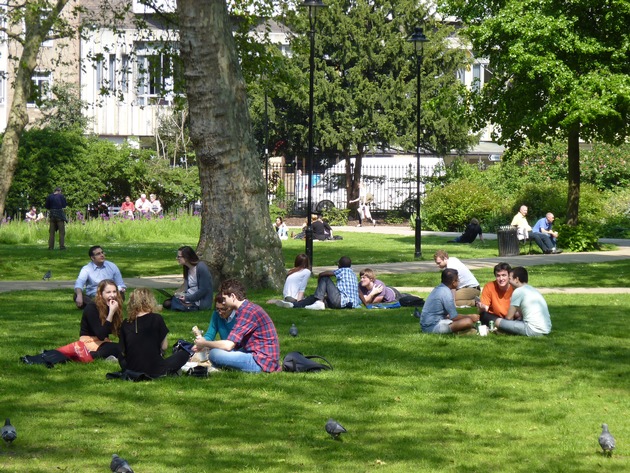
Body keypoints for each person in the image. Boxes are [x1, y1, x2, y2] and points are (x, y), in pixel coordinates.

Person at [193, 279, 281, 373]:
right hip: (258, 355)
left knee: (214, 354)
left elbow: (229, 345)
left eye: (224, 299)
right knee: (219, 352)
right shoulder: (247, 308)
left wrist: (204, 343)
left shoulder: (247, 312)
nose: (223, 302)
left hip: (261, 361)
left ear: (233, 296)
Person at [118, 288, 189, 376]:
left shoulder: (126, 322)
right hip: (155, 369)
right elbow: (164, 346)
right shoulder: (157, 318)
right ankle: (168, 371)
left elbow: (122, 350)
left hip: (132, 368)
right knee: (184, 353)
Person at [277, 256, 362, 310]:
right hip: (349, 304)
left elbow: (323, 274)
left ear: (339, 265)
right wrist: (367, 304)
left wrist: (320, 286)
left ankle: (318, 302)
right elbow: (359, 291)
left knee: (325, 278)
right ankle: (295, 305)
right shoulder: (353, 274)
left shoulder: (342, 270)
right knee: (314, 297)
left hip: (341, 301)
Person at [495, 267, 552, 336]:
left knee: (498, 321)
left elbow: (509, 317)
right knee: (517, 319)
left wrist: (503, 323)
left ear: (516, 279)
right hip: (546, 329)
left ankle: (504, 331)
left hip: (533, 330)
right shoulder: (532, 289)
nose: (508, 282)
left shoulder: (518, 291)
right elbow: (521, 314)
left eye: (509, 279)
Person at [420, 268, 480, 334]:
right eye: (458, 280)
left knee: (465, 320)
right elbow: (454, 317)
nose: (459, 282)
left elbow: (449, 315)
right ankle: (462, 332)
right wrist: (470, 317)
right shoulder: (446, 293)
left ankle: (462, 330)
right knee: (468, 321)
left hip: (427, 325)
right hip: (433, 327)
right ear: (453, 282)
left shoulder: (438, 289)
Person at [79, 279, 123, 359]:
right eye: (108, 292)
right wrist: (111, 313)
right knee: (116, 348)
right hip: (89, 341)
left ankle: (109, 356)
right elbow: (101, 334)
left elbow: (119, 330)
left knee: (124, 348)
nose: (112, 295)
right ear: (100, 294)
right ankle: (87, 355)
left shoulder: (114, 305)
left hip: (103, 342)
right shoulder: (91, 308)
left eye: (114, 291)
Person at [163, 246, 213, 311]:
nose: (177, 258)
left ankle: (184, 306)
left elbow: (203, 290)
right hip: (188, 296)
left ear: (186, 257)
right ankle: (181, 305)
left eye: (179, 257)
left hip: (199, 300)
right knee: (166, 303)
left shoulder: (201, 267)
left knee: (172, 304)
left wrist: (187, 298)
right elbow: (187, 286)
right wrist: (177, 293)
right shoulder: (187, 268)